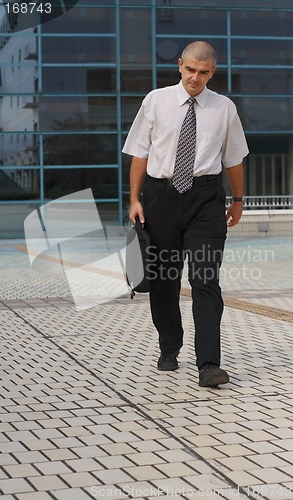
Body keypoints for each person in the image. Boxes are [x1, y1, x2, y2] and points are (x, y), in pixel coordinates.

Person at [122, 41, 249, 387]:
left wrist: (238, 199)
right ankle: (169, 345)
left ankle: (208, 364)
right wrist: (134, 199)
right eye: (190, 69)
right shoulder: (156, 100)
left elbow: (233, 158)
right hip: (160, 197)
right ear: (180, 65)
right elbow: (139, 153)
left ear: (213, 72)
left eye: (203, 72)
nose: (195, 77)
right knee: (164, 280)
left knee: (205, 279)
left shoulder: (224, 109)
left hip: (205, 199)